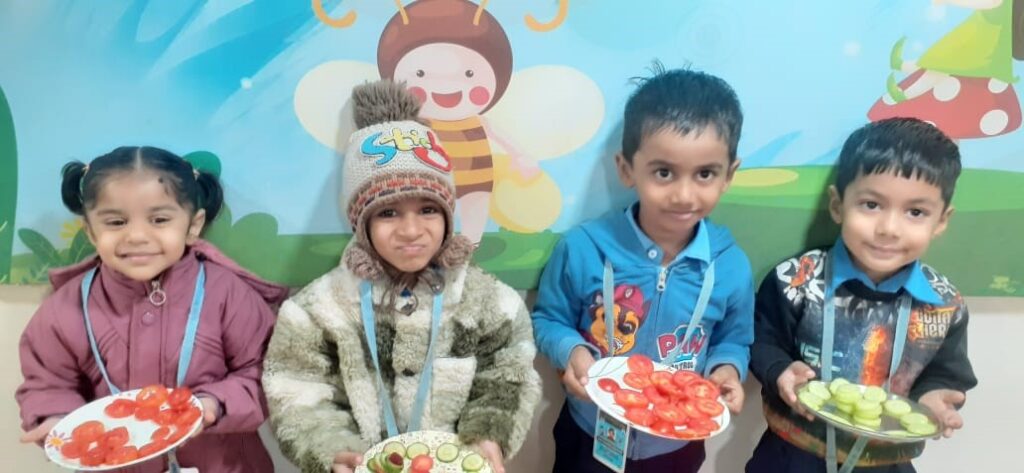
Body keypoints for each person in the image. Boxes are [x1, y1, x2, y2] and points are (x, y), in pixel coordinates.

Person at [262, 80, 541, 473]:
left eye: (428, 209)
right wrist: (331, 449)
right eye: (388, 213)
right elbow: (296, 388)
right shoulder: (317, 309)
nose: (411, 231)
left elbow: (508, 375)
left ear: (448, 215)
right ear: (361, 223)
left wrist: (489, 432)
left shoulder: (492, 302)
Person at [532, 65, 754, 472]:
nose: (684, 194)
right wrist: (571, 351)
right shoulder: (583, 249)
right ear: (626, 169)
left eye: (705, 174)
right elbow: (549, 319)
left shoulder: (730, 265)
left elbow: (733, 340)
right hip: (590, 431)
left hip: (677, 442)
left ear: (729, 175)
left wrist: (727, 369)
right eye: (663, 172)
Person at [16, 146, 288, 472]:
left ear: (193, 226)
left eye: (159, 220)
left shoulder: (228, 294)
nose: (136, 236)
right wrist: (56, 419)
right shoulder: (65, 309)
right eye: (116, 222)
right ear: (90, 231)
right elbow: (48, 383)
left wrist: (213, 404)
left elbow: (267, 373)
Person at [746, 117, 978, 473]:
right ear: (838, 205)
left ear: (941, 221)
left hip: (886, 462)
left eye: (915, 212)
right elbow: (761, 340)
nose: (889, 229)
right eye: (871, 205)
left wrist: (934, 397)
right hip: (791, 455)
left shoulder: (944, 304)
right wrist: (779, 370)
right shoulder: (795, 280)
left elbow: (947, 373)